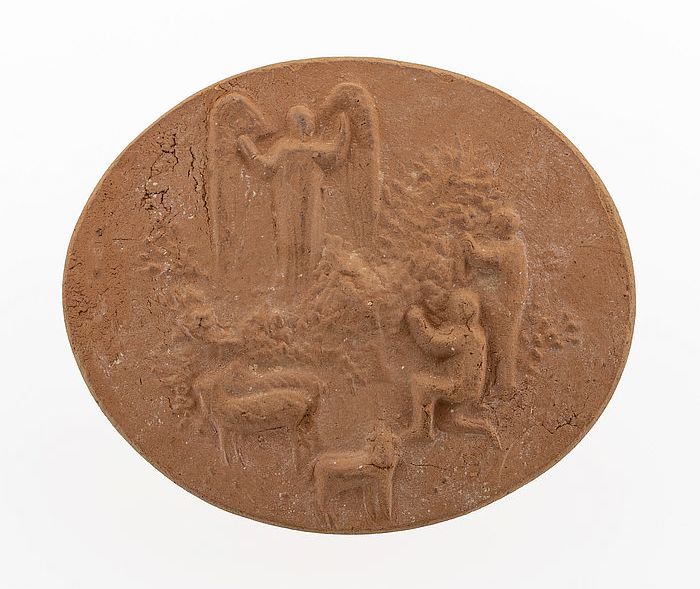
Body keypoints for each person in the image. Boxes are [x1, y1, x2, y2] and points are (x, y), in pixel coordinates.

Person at [237, 106, 350, 283]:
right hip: (306, 204)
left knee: (288, 239)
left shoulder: (283, 148)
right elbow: (335, 154)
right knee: (311, 239)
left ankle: (289, 280)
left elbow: (264, 167)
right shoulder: (307, 150)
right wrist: (344, 131)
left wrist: (248, 148)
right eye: (308, 124)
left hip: (287, 205)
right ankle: (307, 280)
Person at [463, 208, 528, 396]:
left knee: (499, 345)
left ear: (501, 228)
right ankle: (501, 383)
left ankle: (503, 386)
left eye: (494, 224)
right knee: (504, 344)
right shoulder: (517, 246)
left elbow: (479, 259)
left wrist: (468, 242)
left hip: (503, 306)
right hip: (510, 304)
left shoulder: (507, 249)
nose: (491, 227)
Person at [405, 289, 486, 438]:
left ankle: (422, 430)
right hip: (468, 387)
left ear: (462, 312)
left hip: (460, 386)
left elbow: (433, 345)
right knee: (448, 422)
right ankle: (484, 430)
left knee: (421, 385)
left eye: (453, 307)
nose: (449, 310)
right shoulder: (472, 332)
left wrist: (417, 321)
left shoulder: (464, 335)